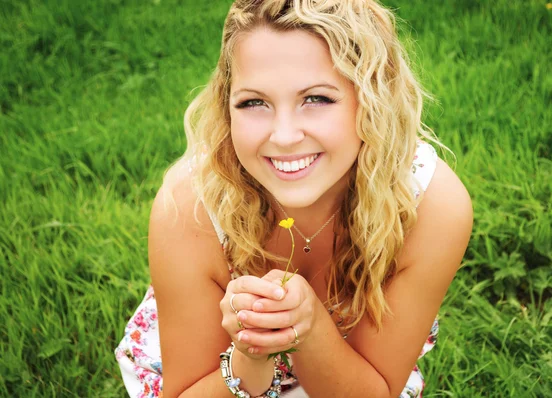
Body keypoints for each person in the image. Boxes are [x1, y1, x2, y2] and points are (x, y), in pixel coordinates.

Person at [115, 0, 473, 397]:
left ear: (372, 101)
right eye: (254, 102)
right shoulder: (191, 205)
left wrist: (310, 327)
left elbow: (375, 391)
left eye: (316, 99)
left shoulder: (429, 205)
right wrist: (252, 352)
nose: (284, 136)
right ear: (226, 104)